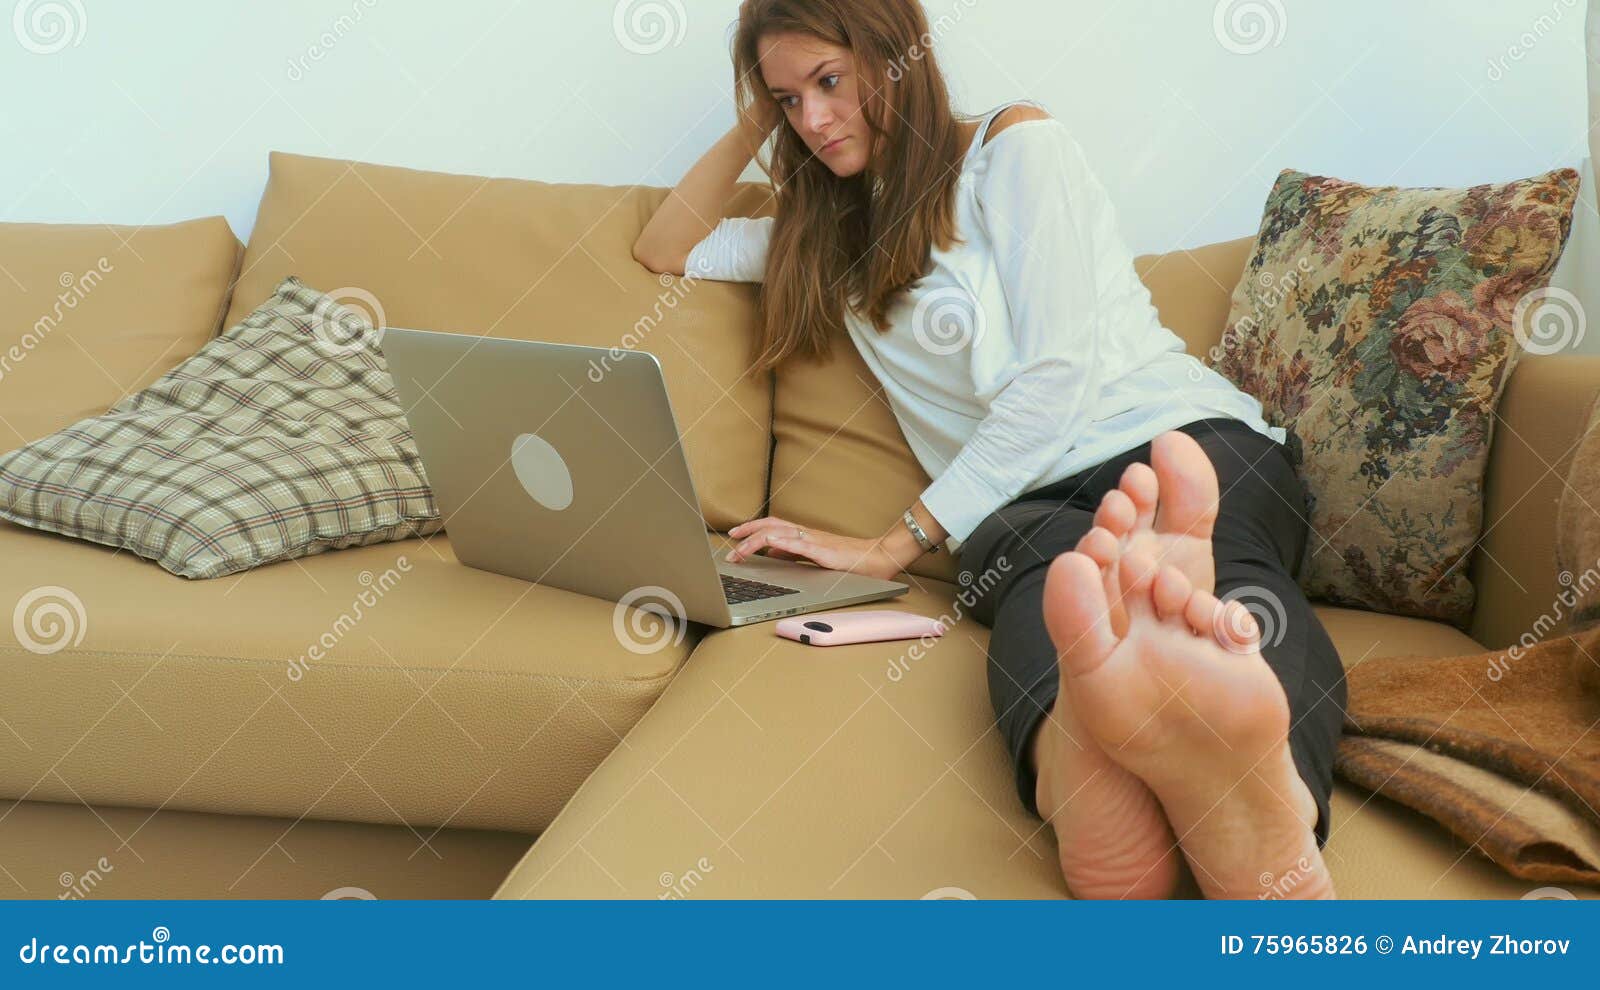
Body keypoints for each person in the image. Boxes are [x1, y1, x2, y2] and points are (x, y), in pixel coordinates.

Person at [632, 0, 1346, 900]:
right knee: (1046, 605)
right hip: (1026, 508)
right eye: (787, 100)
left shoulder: (1013, 150)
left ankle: (1268, 813)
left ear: (896, 57)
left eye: (829, 81)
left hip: (1181, 444)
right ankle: (1083, 775)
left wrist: (891, 545)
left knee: (1224, 579)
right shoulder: (818, 238)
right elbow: (667, 248)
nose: (811, 120)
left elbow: (1053, 381)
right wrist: (755, 103)